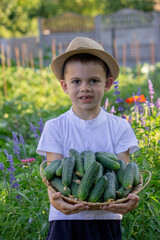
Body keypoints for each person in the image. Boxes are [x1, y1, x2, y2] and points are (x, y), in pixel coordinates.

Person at [37, 37, 140, 240]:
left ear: (108, 84)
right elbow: (52, 177)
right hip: (65, 221)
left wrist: (129, 198)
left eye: (93, 80)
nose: (85, 87)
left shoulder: (120, 127)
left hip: (107, 219)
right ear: (65, 86)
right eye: (76, 81)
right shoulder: (55, 127)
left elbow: (124, 175)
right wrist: (55, 199)